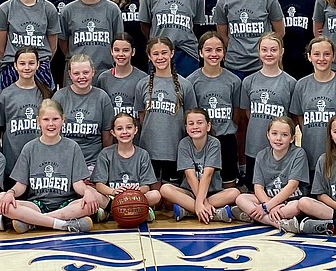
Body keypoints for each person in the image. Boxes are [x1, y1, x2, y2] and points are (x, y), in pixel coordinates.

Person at [0, 99, 99, 233]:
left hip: (66, 204)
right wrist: (10, 193)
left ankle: (34, 222)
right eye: (46, 119)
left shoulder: (72, 147)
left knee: (88, 205)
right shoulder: (29, 148)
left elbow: (78, 184)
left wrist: (87, 192)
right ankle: (62, 224)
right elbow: (21, 186)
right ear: (38, 121)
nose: (51, 124)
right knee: (6, 206)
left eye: (55, 119)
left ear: (63, 120)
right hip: (37, 205)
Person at [135, 36, 198, 185]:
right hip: (149, 149)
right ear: (149, 57)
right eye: (155, 54)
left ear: (172, 53)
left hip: (175, 149)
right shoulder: (142, 84)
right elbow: (142, 116)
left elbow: (190, 118)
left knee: (169, 199)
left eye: (164, 53)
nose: (160, 57)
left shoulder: (185, 85)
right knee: (155, 198)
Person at [214, 0, 285, 78]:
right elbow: (223, 36)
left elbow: (279, 32)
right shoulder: (223, 2)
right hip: (234, 66)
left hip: (261, 65)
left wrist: (265, 52)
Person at [291, 36, 336, 173]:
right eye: (316, 54)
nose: (322, 59)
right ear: (309, 57)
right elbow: (298, 116)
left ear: (333, 57)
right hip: (311, 153)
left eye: (327, 54)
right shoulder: (301, 85)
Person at [159, 108, 238, 223]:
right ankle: (212, 213)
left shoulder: (214, 143)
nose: (195, 126)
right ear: (186, 128)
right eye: (191, 123)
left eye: (200, 123)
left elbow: (207, 175)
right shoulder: (184, 144)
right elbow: (190, 176)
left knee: (234, 193)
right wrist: (201, 203)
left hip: (211, 193)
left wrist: (202, 201)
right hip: (190, 192)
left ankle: (189, 211)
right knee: (165, 189)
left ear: (208, 126)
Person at [232, 116, 310, 229]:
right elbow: (258, 188)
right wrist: (270, 206)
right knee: (240, 199)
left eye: (284, 135)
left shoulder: (298, 153)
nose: (278, 138)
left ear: (292, 138)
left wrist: (267, 207)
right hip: (268, 200)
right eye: (274, 133)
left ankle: (257, 217)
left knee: (298, 206)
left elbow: (292, 186)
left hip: (290, 201)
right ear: (268, 135)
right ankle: (274, 222)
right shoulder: (261, 155)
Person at [239, 33, 296, 190]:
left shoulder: (291, 82)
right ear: (258, 52)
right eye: (264, 50)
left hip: (280, 148)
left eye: (273, 50)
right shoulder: (248, 81)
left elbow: (293, 119)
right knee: (253, 189)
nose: (269, 54)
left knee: (277, 188)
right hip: (254, 146)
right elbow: (247, 113)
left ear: (281, 52)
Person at [0, 0, 60, 89]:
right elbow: (0, 48)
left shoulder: (49, 9)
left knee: (44, 108)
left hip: (40, 67)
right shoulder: (5, 9)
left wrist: (37, 63)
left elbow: (53, 46)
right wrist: (17, 64)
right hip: (12, 66)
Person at [188, 31, 244, 188]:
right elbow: (191, 114)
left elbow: (236, 111)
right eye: (208, 50)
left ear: (224, 53)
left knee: (229, 183)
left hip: (226, 138)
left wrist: (227, 127)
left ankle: (225, 208)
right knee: (202, 182)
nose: (214, 54)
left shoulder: (233, 81)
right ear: (200, 52)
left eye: (218, 50)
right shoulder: (192, 81)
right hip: (201, 139)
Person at [91, 112, 161, 220]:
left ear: (135, 130)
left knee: (155, 195)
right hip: (113, 198)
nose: (124, 132)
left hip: (135, 197)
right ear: (113, 132)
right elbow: (99, 185)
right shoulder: (106, 154)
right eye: (119, 129)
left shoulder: (143, 154)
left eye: (129, 127)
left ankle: (111, 213)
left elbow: (146, 187)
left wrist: (137, 190)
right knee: (91, 192)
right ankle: (137, 211)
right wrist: (113, 191)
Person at [0, 47, 53, 178]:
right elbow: (1, 127)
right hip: (13, 160)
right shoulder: (5, 95)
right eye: (22, 63)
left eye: (31, 63)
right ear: (15, 66)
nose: (27, 67)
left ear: (38, 64)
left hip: (40, 159)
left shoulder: (46, 93)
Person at [54, 54, 114, 170]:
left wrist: (104, 165)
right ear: (70, 74)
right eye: (76, 73)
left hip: (93, 163)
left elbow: (107, 136)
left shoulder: (102, 98)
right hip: (64, 161)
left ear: (93, 72)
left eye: (86, 72)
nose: (81, 77)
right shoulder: (59, 97)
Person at [61, 0, 124, 74]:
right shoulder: (68, 10)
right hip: (77, 72)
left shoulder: (112, 9)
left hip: (105, 71)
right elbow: (63, 41)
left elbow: (118, 41)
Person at [96, 33, 147, 117]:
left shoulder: (143, 78)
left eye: (125, 50)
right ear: (111, 51)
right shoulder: (103, 78)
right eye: (116, 50)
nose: (121, 54)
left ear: (133, 52)